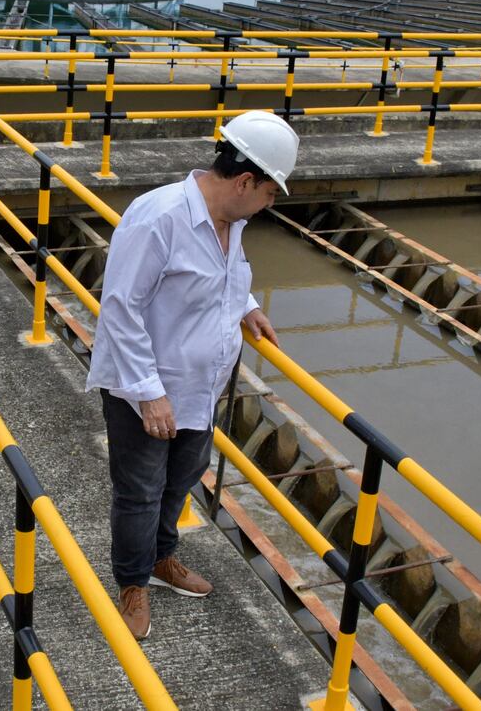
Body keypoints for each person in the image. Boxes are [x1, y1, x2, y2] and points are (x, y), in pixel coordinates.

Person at [86, 110, 298, 640]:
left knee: (180, 479)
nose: (271, 205)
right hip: (148, 389)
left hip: (201, 387)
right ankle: (132, 583)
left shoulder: (233, 221)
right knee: (140, 489)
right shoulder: (159, 217)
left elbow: (220, 277)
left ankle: (162, 559)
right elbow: (120, 308)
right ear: (246, 180)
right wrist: (150, 394)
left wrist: (247, 306)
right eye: (272, 193)